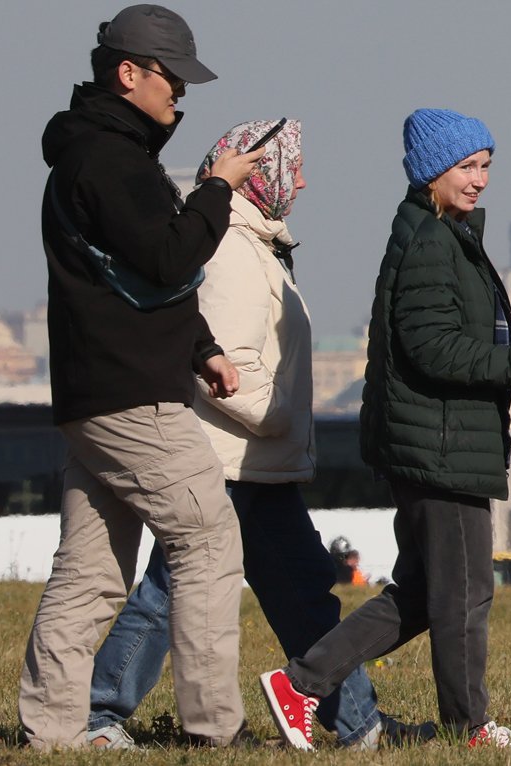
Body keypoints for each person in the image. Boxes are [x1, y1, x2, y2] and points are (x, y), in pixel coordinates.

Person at [83, 120, 433, 750]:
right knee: (172, 591)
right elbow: (224, 367)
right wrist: (282, 419)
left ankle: (360, 724)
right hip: (226, 460)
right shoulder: (230, 250)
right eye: (290, 167)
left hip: (256, 465)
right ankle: (100, 714)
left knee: (303, 594)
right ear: (259, 172)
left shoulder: (257, 243)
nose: (300, 180)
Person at [259, 108, 511, 751]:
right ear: (433, 170)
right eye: (467, 166)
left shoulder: (443, 235)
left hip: (438, 439)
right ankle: (469, 728)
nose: (481, 179)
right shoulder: (432, 241)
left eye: (486, 165)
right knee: (464, 595)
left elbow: (453, 332)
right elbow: (434, 349)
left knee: (429, 593)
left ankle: (301, 685)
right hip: (440, 444)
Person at [20, 5, 265, 749]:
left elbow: (135, 279)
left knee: (92, 574)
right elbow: (167, 259)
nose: (180, 97)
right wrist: (218, 190)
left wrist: (201, 349)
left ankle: (52, 730)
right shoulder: (111, 162)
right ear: (129, 73)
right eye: (172, 80)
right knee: (210, 543)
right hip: (132, 397)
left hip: (96, 395)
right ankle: (213, 730)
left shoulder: (96, 156)